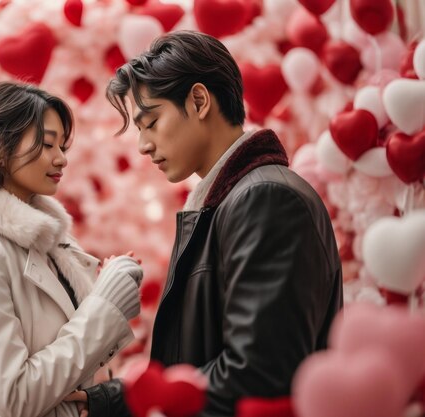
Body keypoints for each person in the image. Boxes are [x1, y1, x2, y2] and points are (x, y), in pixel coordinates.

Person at [66, 31, 343, 417]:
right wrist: (112, 400)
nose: (143, 145)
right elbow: (202, 359)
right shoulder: (234, 199)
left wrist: (141, 402)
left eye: (151, 122)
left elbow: (260, 374)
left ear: (198, 101)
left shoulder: (265, 200)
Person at [0, 82, 143, 417]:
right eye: (47, 144)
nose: (61, 158)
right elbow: (15, 396)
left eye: (62, 145)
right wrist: (105, 307)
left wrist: (104, 288)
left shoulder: (52, 241)